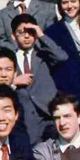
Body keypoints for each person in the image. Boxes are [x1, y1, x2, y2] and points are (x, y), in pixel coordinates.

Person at [9, 14, 68, 145]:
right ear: (13, 36)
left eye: (30, 32)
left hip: (50, 114)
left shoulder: (43, 53)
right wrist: (13, 83)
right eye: (21, 33)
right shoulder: (9, 58)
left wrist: (41, 35)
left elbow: (62, 57)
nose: (26, 36)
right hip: (28, 120)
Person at [44, 0, 80, 108]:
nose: (69, 6)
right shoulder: (52, 31)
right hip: (68, 90)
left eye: (73, 1)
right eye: (65, 3)